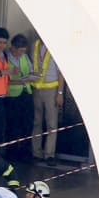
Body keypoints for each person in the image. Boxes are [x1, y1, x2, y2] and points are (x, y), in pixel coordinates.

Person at [31, 37, 65, 166]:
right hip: (37, 87)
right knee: (37, 122)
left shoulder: (56, 46)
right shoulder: (36, 44)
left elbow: (61, 73)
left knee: (51, 123)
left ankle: (49, 154)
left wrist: (60, 93)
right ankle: (36, 153)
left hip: (51, 89)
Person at [5, 34, 35, 161]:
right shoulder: (5, 58)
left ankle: (25, 152)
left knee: (27, 124)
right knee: (13, 125)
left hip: (26, 93)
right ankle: (12, 153)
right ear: (13, 47)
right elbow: (4, 80)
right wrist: (19, 81)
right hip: (12, 96)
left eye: (24, 51)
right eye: (20, 51)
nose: (22, 53)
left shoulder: (24, 57)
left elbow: (30, 70)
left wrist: (31, 77)